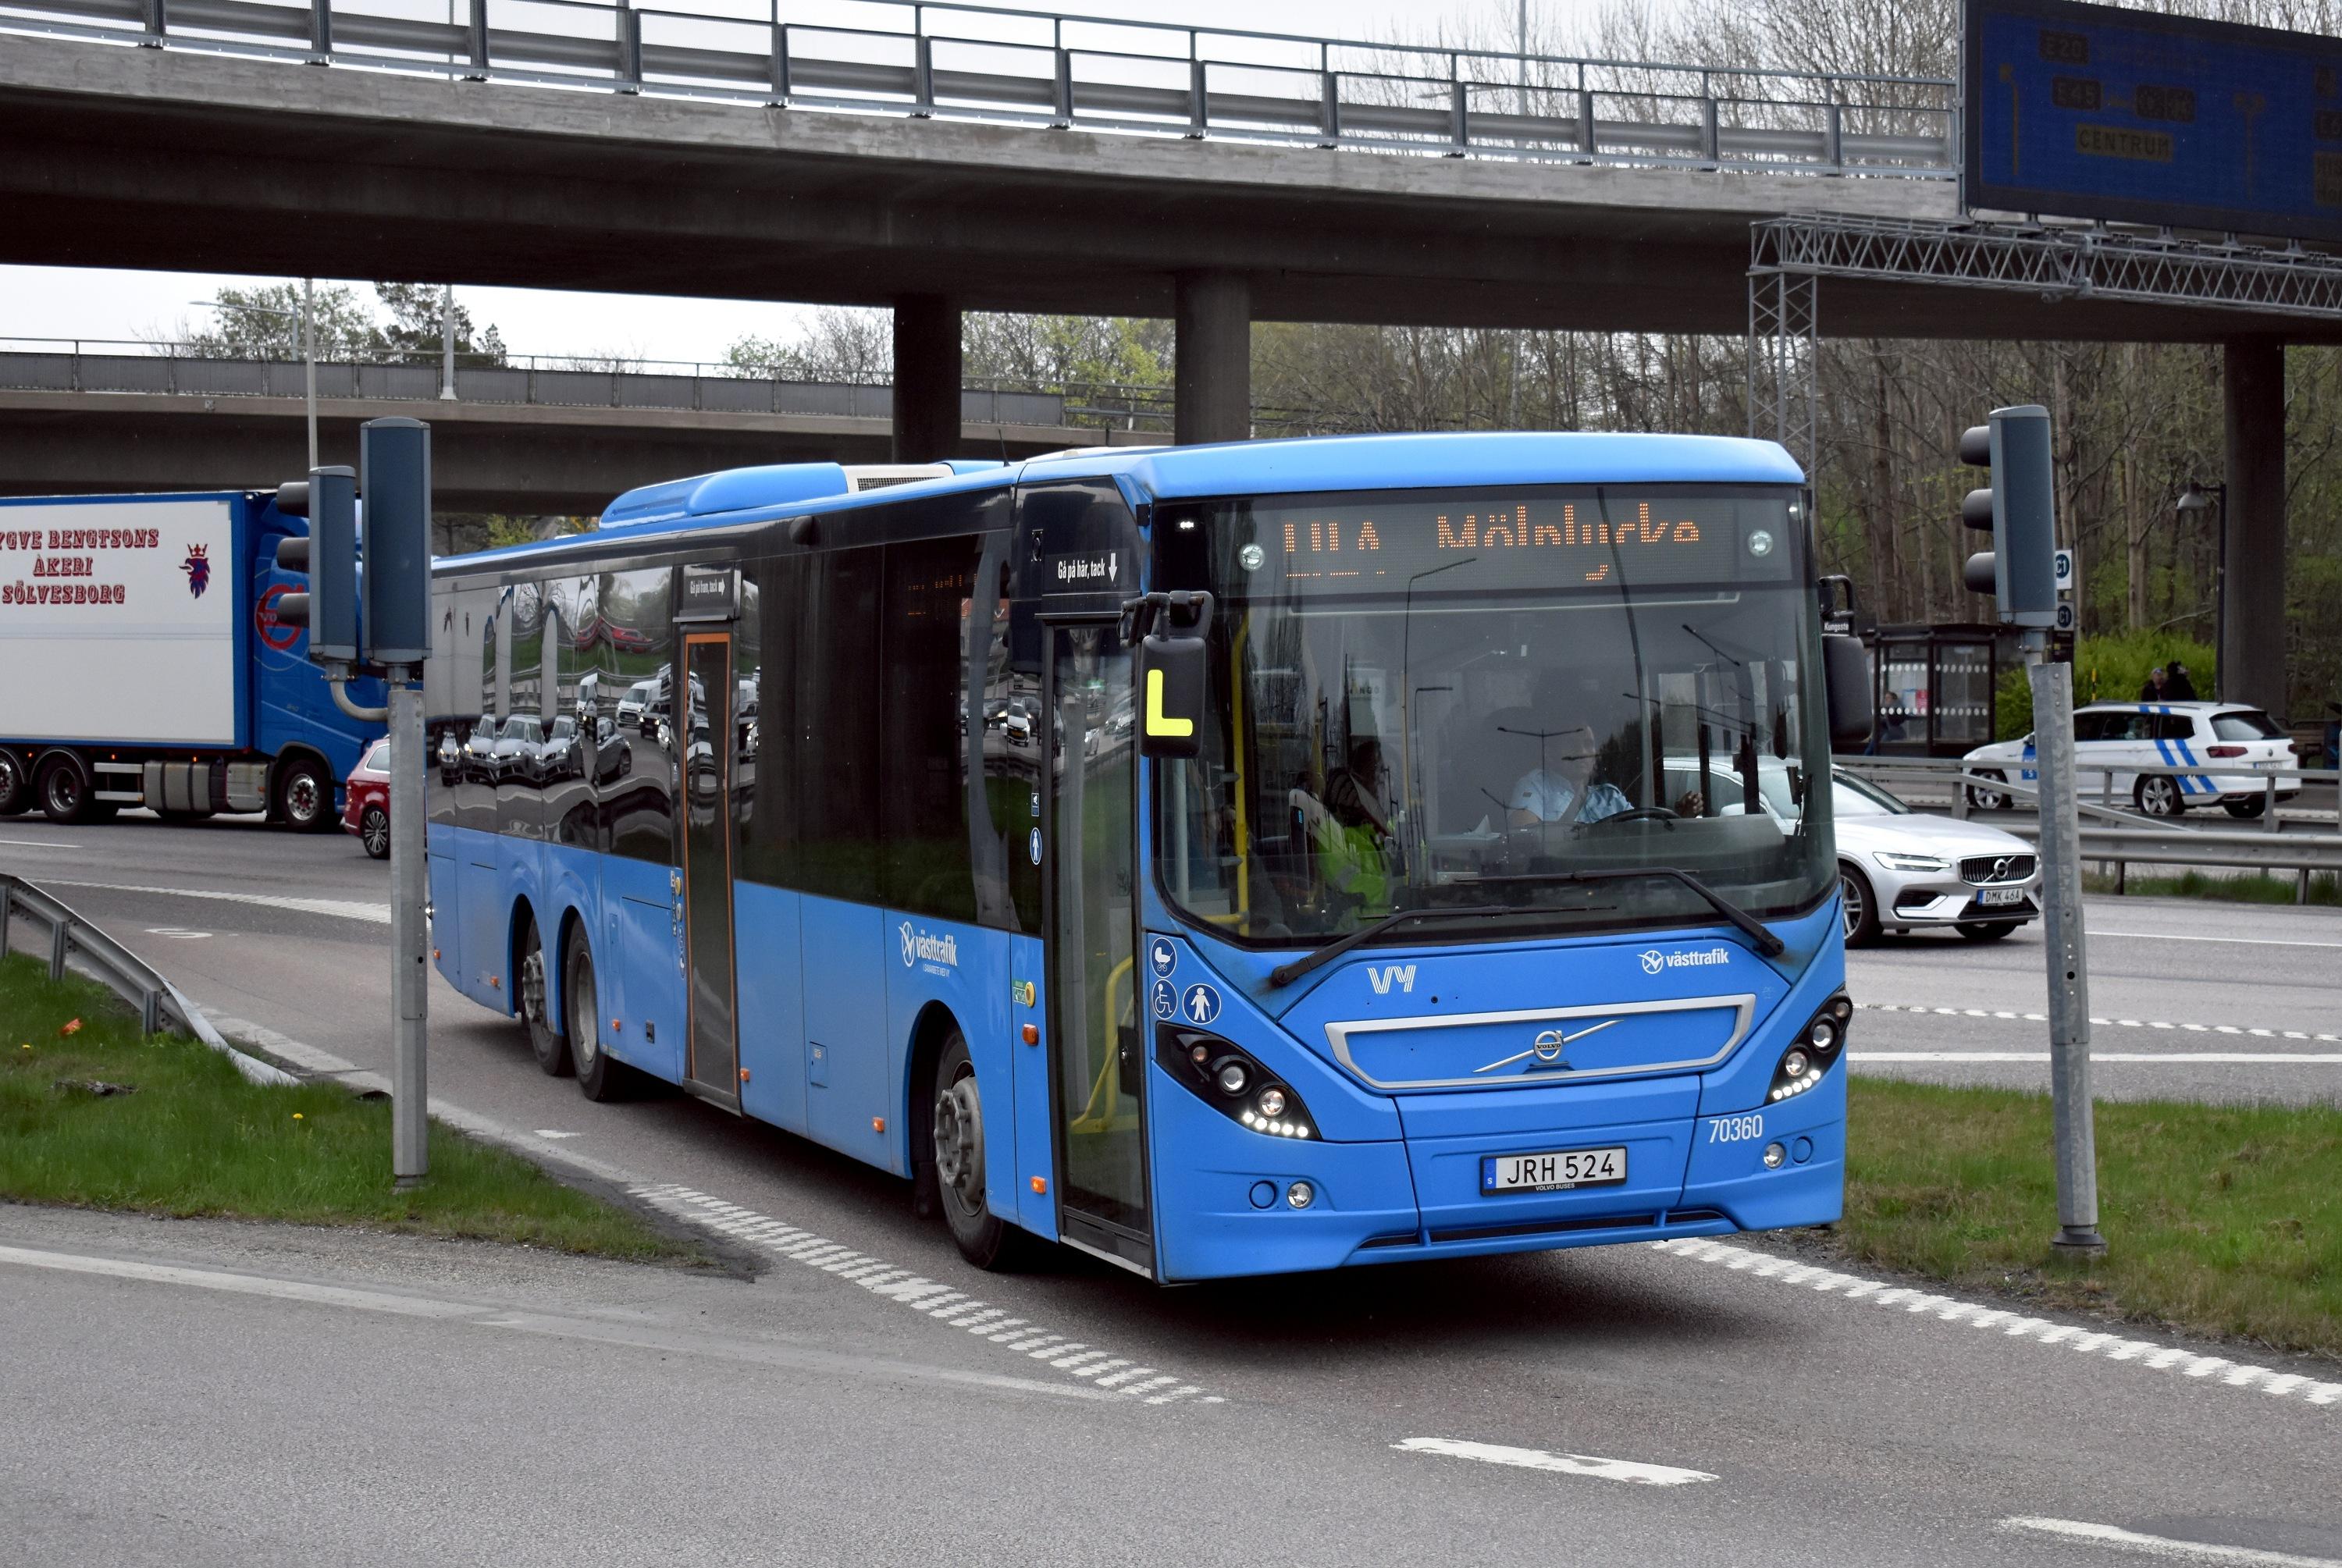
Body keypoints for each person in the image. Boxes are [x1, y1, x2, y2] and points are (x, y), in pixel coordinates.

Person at [1504, 720, 1632, 830]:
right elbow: (1527, 842)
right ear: (1549, 754)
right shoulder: (1533, 786)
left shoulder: (1610, 797)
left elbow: (1647, 834)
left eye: (1588, 745)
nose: (1582, 752)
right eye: (1572, 744)